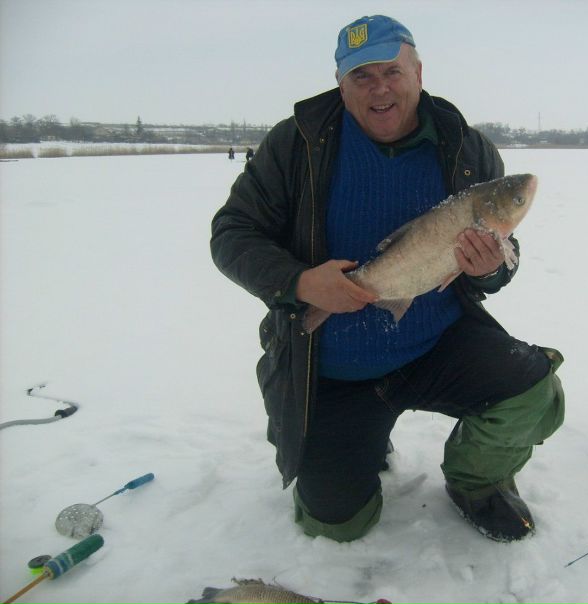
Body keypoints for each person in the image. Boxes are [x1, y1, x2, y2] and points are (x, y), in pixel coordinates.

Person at [210, 15, 564, 543]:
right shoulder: (296, 144)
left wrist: (490, 269)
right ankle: (359, 447)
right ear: (341, 82)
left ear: (417, 71)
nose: (380, 88)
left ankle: (475, 481)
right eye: (362, 76)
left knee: (534, 389)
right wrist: (301, 284)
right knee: (335, 524)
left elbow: (505, 256)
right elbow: (231, 233)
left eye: (392, 72)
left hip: (436, 343)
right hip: (332, 369)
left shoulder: (466, 147)